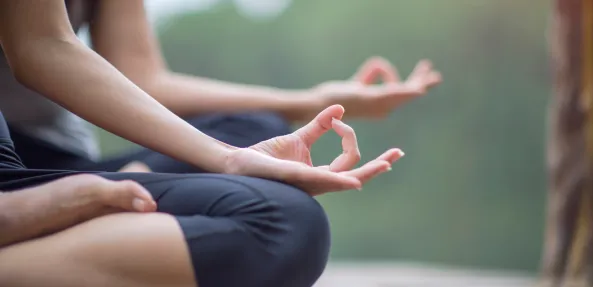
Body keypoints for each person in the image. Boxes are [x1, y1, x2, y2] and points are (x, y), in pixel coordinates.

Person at [0, 0, 405, 287]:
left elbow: (130, 71)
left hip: (50, 162)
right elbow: (37, 48)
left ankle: (82, 207)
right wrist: (226, 160)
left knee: (285, 220)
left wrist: (302, 108)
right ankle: (46, 218)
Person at [0, 0, 441, 173]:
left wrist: (315, 101)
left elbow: (143, 80)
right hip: (8, 163)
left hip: (60, 155)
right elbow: (40, 48)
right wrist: (226, 162)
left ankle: (118, 191)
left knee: (256, 130)